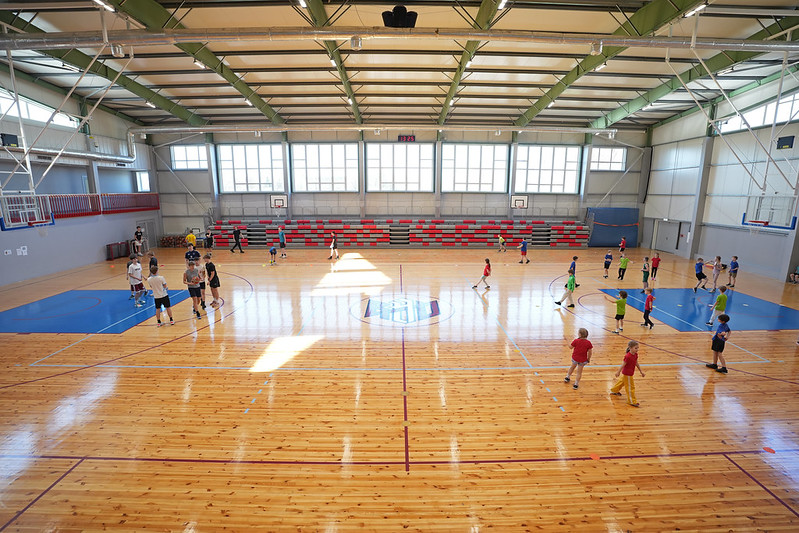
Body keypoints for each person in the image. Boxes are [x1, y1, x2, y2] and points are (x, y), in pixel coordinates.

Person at [610, 340, 645, 407]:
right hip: (628, 373)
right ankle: (631, 401)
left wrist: (641, 371)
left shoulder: (635, 355)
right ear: (630, 348)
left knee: (621, 382)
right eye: (636, 348)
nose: (637, 349)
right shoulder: (628, 356)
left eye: (638, 348)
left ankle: (614, 390)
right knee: (630, 387)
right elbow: (623, 364)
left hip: (630, 373)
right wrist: (618, 372)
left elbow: (636, 363)